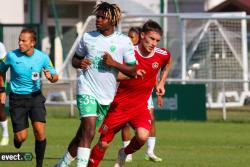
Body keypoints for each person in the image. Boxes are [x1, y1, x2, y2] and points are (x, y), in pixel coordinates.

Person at [54, 2, 137, 167]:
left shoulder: (124, 42)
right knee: (90, 132)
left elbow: (133, 71)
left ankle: (61, 165)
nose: (97, 19)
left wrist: (114, 63)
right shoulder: (87, 37)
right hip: (86, 90)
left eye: (102, 17)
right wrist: (80, 63)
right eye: (97, 16)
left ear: (112, 21)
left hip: (106, 97)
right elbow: (75, 59)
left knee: (82, 136)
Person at [87, 20, 172, 167]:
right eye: (151, 39)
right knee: (103, 144)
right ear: (142, 35)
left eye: (157, 40)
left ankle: (124, 153)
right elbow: (113, 75)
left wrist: (161, 82)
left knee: (142, 136)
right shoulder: (128, 52)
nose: (154, 43)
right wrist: (131, 74)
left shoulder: (161, 54)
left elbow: (168, 61)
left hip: (140, 107)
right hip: (120, 105)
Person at [0, 28, 59, 167]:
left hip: (35, 97)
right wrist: (2, 90)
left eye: (23, 41)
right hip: (17, 99)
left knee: (39, 131)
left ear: (32, 43)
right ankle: (17, 139)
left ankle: (39, 165)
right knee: (22, 137)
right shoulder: (11, 56)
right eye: (19, 40)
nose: (20, 43)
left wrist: (51, 78)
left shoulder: (42, 57)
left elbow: (55, 75)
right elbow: (0, 70)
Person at [122, 26, 164, 162]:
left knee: (151, 119)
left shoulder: (149, 53)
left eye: (131, 36)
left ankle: (150, 151)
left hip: (145, 95)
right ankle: (127, 152)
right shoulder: (127, 53)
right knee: (126, 124)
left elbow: (155, 73)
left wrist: (158, 91)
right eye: (128, 36)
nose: (129, 39)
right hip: (127, 94)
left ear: (139, 36)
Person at [0, 41, 9, 146]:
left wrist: (2, 89)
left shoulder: (0, 46)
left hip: (0, 81)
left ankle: (5, 135)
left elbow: (2, 68)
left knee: (0, 109)